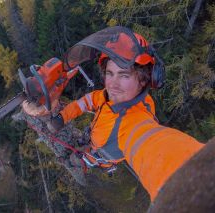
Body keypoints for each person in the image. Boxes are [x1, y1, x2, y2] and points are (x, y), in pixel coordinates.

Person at [47, 26, 205, 201]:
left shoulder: (135, 120)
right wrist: (63, 116)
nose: (112, 84)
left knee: (76, 160)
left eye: (124, 76)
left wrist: (195, 184)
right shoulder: (106, 96)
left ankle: (82, 162)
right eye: (110, 73)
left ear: (143, 80)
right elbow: (86, 102)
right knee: (78, 147)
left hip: (100, 155)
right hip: (94, 134)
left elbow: (154, 145)